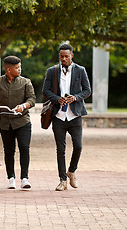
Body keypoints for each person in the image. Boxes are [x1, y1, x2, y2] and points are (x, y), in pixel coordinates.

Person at [42, 43, 91, 191]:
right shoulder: (52, 71)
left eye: (66, 56)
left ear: (72, 56)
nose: (63, 59)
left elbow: (87, 90)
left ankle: (72, 171)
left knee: (78, 146)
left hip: (74, 115)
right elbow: (45, 90)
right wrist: (57, 99)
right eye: (61, 56)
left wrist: (75, 97)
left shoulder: (80, 70)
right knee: (60, 149)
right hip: (58, 116)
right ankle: (62, 180)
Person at [0, 56, 36, 189]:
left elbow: (32, 99)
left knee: (24, 148)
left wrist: (23, 106)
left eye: (20, 67)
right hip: (6, 122)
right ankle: (11, 178)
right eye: (17, 68)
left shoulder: (25, 82)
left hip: (23, 121)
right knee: (9, 150)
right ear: (8, 69)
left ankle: (25, 178)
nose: (20, 69)